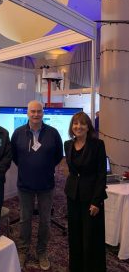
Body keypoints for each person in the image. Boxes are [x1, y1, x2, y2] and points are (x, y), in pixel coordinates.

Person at [11, 100, 63, 271]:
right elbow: (15, 157)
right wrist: (29, 167)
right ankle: (23, 250)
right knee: (25, 220)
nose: (35, 114)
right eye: (32, 111)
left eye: (39, 111)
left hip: (46, 185)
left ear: (43, 112)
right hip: (24, 185)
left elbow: (57, 157)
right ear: (27, 113)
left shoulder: (53, 133)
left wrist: (43, 167)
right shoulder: (18, 133)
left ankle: (42, 251)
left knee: (45, 221)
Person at [64, 112, 107, 272]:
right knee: (74, 236)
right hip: (72, 195)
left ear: (88, 126)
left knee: (91, 238)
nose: (78, 127)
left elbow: (101, 174)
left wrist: (97, 201)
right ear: (71, 127)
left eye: (82, 123)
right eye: (75, 123)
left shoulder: (97, 145)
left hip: (91, 198)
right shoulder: (68, 144)